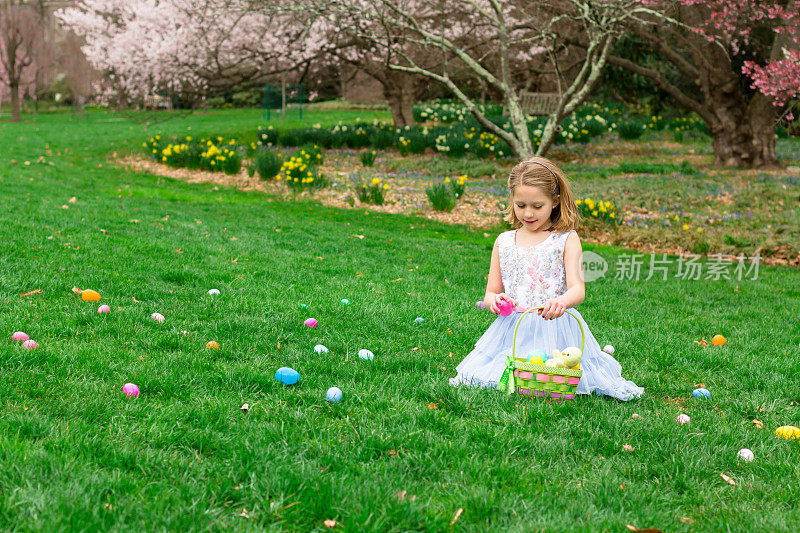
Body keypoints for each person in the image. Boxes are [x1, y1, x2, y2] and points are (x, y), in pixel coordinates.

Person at [449, 157, 643, 401]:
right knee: (497, 375)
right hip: (514, 329)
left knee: (555, 370)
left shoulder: (565, 239)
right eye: (520, 205)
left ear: (555, 202)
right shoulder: (504, 241)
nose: (527, 213)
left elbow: (577, 289)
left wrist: (561, 302)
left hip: (555, 326)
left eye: (537, 206)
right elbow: (490, 293)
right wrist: (495, 302)